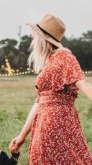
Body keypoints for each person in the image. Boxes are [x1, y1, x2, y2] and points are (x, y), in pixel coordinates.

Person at [9, 14, 92, 164]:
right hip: (43, 123)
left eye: (35, 37)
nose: (33, 40)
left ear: (43, 39)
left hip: (59, 124)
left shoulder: (64, 56)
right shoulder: (49, 61)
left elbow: (82, 83)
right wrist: (22, 136)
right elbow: (40, 101)